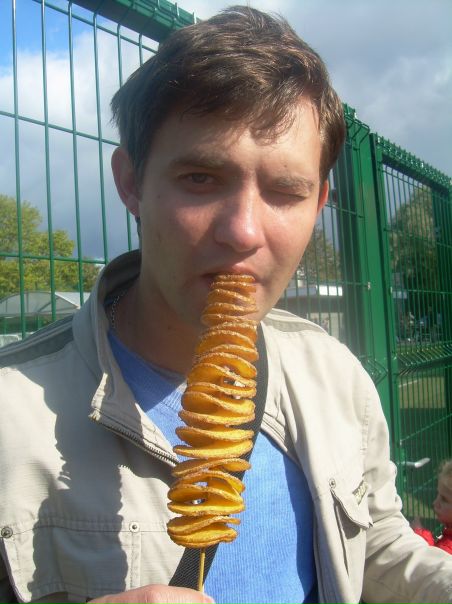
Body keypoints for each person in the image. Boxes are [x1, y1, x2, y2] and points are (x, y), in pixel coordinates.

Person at [1, 5, 452, 604]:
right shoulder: (11, 420)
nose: (242, 232)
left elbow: (376, 542)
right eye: (200, 179)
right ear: (131, 182)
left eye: (285, 191)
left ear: (319, 205)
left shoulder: (336, 377)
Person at [412, 460, 452, 554]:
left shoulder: (447, 549)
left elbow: (429, 559)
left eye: (444, 499)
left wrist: (420, 535)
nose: (435, 503)